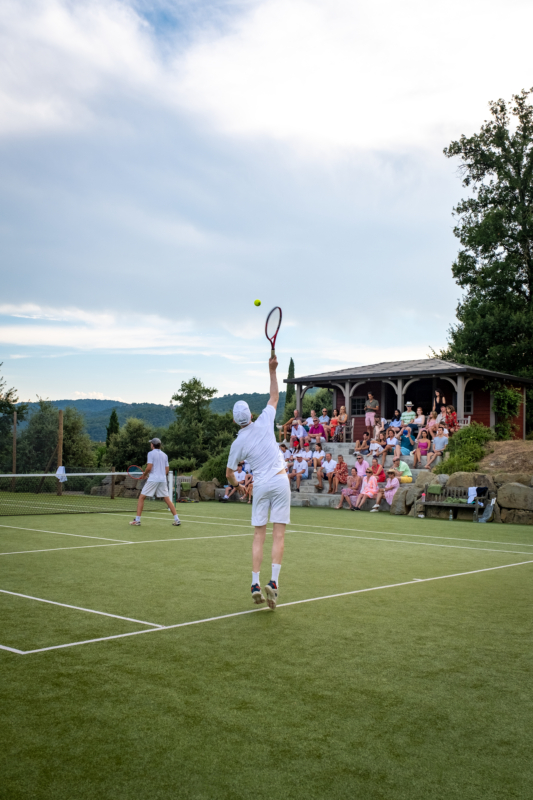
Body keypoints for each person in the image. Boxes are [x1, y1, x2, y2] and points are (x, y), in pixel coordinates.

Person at [226, 355, 289, 610]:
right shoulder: (264, 419)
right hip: (281, 481)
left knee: (258, 535)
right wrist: (272, 370)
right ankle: (273, 583)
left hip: (260, 485)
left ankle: (255, 583)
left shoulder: (237, 443)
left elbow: (229, 472)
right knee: (279, 533)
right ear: (250, 415)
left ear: (235, 420)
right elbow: (274, 396)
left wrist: (238, 485)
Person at [130, 438, 181, 526]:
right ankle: (177, 519)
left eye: (151, 444)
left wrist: (145, 475)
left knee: (141, 498)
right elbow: (167, 469)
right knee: (167, 500)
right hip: (162, 480)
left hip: (153, 479)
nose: (150, 445)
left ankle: (137, 520)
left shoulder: (150, 454)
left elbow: (149, 467)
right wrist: (160, 476)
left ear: (153, 445)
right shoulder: (165, 455)